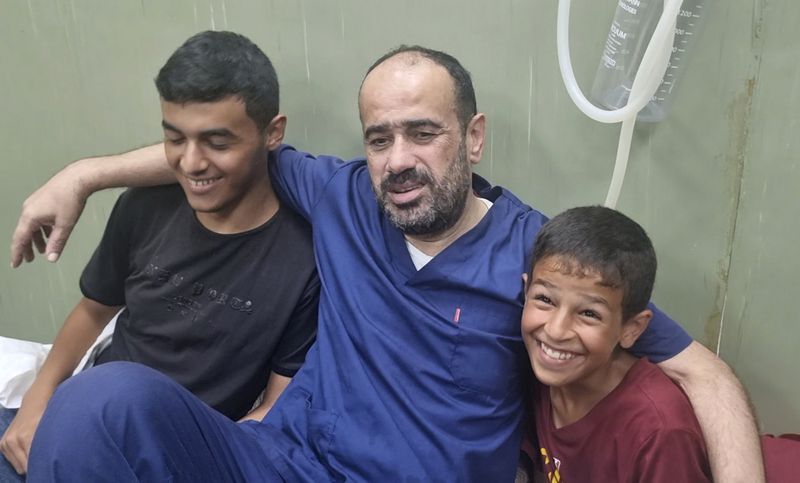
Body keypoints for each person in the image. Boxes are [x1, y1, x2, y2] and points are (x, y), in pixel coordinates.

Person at [11, 45, 763, 482]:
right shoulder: (341, 196)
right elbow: (218, 151)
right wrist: (82, 173)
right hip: (278, 465)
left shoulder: (542, 261)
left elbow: (706, 373)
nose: (398, 161)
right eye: (379, 138)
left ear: (472, 137)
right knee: (95, 403)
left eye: (423, 133)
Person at [0, 31, 319, 478]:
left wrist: (196, 455)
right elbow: (93, 312)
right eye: (175, 139)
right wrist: (37, 402)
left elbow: (275, 405)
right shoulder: (145, 205)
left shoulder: (304, 258)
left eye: (217, 143)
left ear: (273, 133)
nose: (191, 163)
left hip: (170, 442)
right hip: (83, 411)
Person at [520, 206, 711, 482]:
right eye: (545, 300)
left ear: (632, 329)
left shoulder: (658, 432)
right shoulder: (540, 375)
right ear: (525, 292)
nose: (556, 331)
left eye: (589, 313)